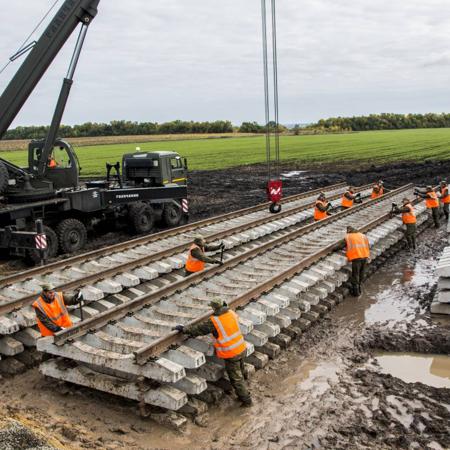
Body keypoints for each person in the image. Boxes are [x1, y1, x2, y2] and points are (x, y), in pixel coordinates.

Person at [173, 299, 252, 406]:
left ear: (214, 308)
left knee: (236, 380)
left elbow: (198, 330)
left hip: (231, 353)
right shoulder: (231, 313)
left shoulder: (215, 321)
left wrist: (184, 329)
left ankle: (247, 401)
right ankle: (246, 386)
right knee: (240, 370)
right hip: (241, 347)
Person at [345, 226, 370, 297]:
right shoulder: (363, 236)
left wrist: (333, 249)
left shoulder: (349, 236)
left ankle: (356, 293)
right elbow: (368, 246)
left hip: (356, 258)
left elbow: (341, 245)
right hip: (365, 257)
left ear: (349, 231)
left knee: (355, 275)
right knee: (361, 273)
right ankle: (359, 288)